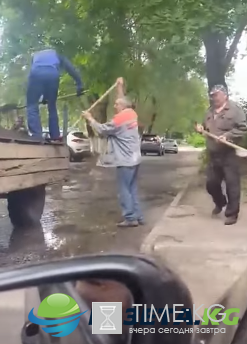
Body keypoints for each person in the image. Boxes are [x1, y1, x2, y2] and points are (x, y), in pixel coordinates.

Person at [82, 77, 144, 228]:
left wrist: (90, 118)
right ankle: (138, 216)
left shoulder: (118, 120)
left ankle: (130, 218)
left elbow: (102, 130)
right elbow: (122, 99)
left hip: (125, 160)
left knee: (124, 190)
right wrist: (119, 86)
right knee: (132, 189)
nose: (114, 105)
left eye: (116, 104)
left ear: (122, 106)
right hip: (135, 159)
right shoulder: (131, 113)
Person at [196, 84, 247, 225]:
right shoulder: (209, 111)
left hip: (229, 154)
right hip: (214, 154)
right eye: (212, 96)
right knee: (211, 184)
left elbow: (243, 128)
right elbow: (205, 127)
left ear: (225, 95)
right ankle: (220, 202)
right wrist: (200, 129)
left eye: (216, 95)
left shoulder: (235, 110)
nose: (214, 98)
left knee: (232, 185)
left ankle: (231, 214)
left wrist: (228, 136)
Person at [26, 48, 83, 140]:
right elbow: (71, 68)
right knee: (52, 105)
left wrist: (43, 96)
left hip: (36, 74)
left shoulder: (35, 56)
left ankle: (37, 135)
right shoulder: (57, 55)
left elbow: (38, 73)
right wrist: (79, 84)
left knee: (32, 105)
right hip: (53, 75)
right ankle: (55, 135)